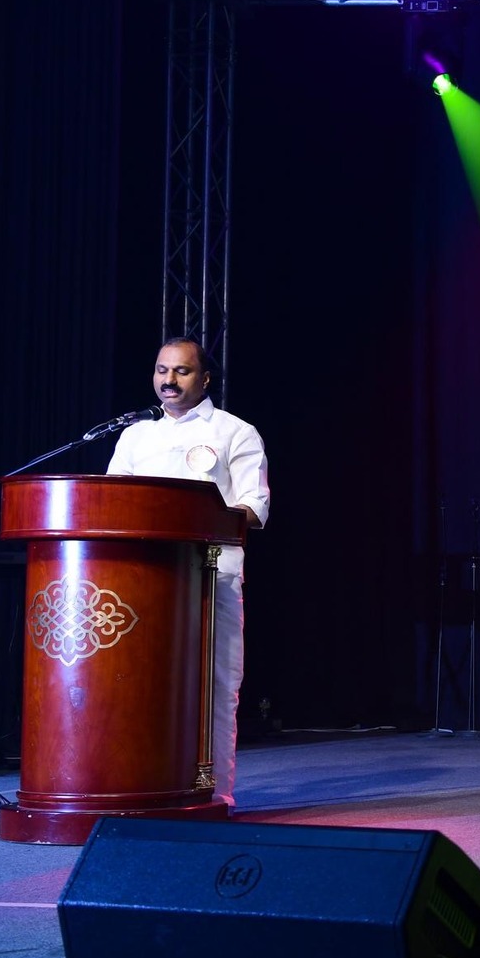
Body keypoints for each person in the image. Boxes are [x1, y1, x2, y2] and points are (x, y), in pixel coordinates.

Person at [106, 338, 268, 809]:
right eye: (162, 370)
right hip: (143, 580)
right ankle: (145, 786)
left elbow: (254, 509)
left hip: (211, 575)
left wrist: (191, 517)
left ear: (205, 378)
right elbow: (111, 503)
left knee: (216, 684)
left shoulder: (235, 432)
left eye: (181, 371)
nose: (169, 381)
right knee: (141, 681)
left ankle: (214, 792)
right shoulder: (135, 435)